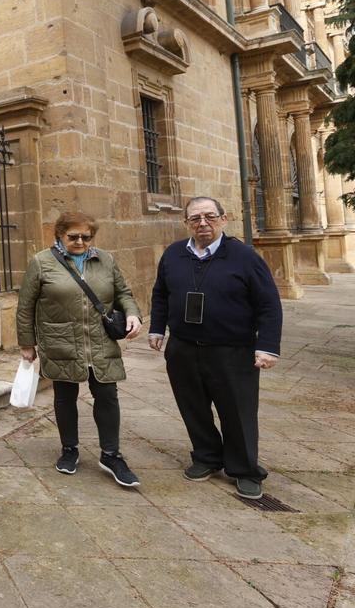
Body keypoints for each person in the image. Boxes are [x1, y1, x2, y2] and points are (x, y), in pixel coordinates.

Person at [148, 196, 282, 500]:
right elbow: (161, 295)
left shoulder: (245, 257)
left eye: (209, 216)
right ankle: (207, 457)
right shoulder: (173, 254)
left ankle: (245, 469)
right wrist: (157, 328)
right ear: (186, 223)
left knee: (237, 412)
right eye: (195, 218)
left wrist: (268, 346)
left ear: (223, 219)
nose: (203, 223)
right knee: (193, 408)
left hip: (232, 350)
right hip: (183, 348)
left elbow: (269, 304)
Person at [15, 211, 144, 486]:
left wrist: (133, 314)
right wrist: (27, 344)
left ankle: (111, 454)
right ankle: (69, 450)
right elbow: (25, 306)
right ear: (59, 234)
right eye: (73, 236)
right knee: (64, 396)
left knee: (108, 395)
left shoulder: (105, 259)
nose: (80, 242)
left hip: (100, 341)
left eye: (86, 237)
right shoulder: (41, 262)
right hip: (60, 340)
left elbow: (123, 294)